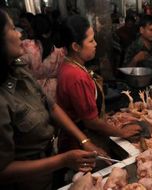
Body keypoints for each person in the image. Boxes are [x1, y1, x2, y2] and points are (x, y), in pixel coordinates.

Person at [0, 9, 108, 190]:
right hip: (28, 181)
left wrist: (84, 141)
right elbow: (3, 171)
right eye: (12, 28)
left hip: (50, 159)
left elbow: (51, 106)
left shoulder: (18, 70)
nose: (19, 33)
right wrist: (63, 160)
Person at [56, 15, 141, 154]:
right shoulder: (76, 75)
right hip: (79, 143)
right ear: (76, 46)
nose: (95, 44)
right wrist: (121, 132)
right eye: (91, 41)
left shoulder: (71, 64)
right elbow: (91, 122)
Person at [20, 14, 65, 101]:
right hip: (56, 93)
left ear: (32, 28)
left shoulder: (26, 46)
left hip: (34, 93)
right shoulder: (59, 51)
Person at [123, 15, 152, 83]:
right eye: (151, 30)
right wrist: (135, 59)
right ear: (141, 30)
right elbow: (125, 73)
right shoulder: (133, 48)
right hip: (138, 89)